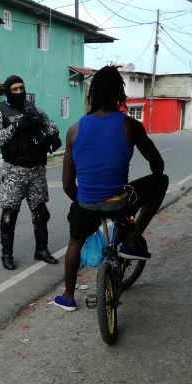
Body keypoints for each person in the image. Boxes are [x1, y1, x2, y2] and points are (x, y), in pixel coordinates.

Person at [54, 65, 169, 311]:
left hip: (86, 202)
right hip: (119, 202)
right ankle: (133, 238)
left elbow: (67, 184)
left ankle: (68, 296)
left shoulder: (74, 130)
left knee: (75, 242)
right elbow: (158, 166)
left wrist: (84, 200)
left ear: (92, 94)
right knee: (162, 181)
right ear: (119, 94)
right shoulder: (130, 126)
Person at [0, 75, 62, 270]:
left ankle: (42, 250)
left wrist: (53, 136)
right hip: (14, 170)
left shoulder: (33, 109)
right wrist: (14, 127)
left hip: (37, 169)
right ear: (7, 92)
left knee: (40, 212)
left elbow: (51, 125)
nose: (19, 92)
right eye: (15, 89)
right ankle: (7, 255)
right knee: (9, 215)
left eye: (21, 88)